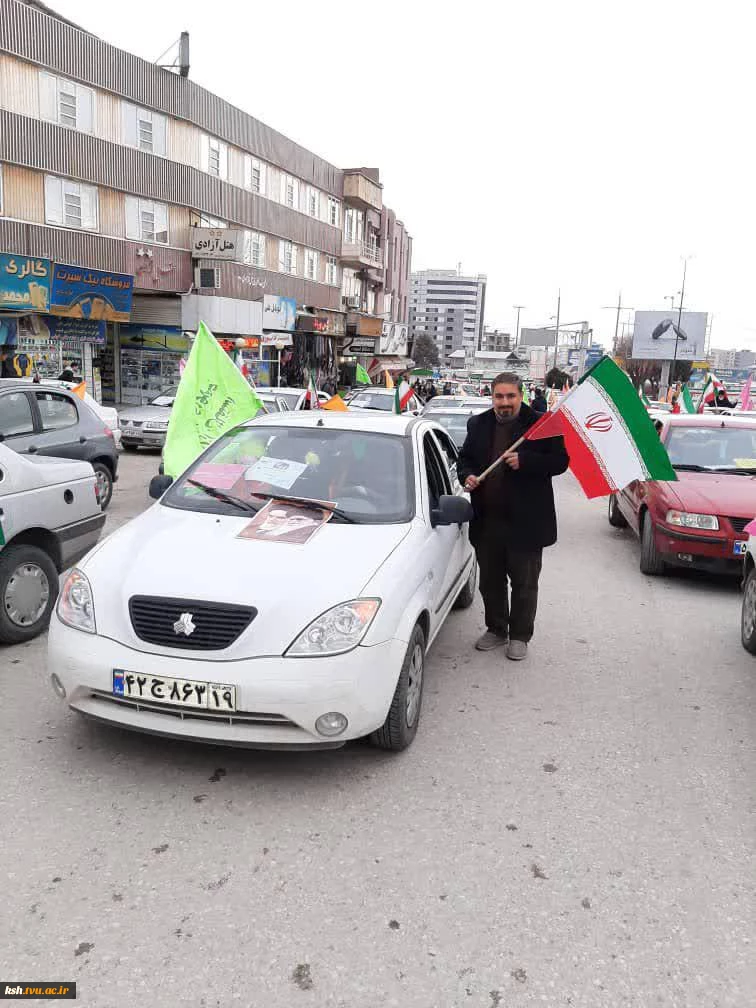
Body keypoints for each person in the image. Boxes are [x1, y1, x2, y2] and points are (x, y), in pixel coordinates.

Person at [457, 372, 569, 661]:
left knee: (524, 584)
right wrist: (468, 475)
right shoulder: (478, 423)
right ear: (491, 396)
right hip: (488, 520)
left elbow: (560, 462)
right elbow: (465, 459)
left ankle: (520, 635)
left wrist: (527, 461)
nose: (504, 402)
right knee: (490, 583)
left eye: (510, 396)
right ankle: (496, 629)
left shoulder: (542, 425)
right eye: (499, 396)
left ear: (521, 396)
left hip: (526, 523)